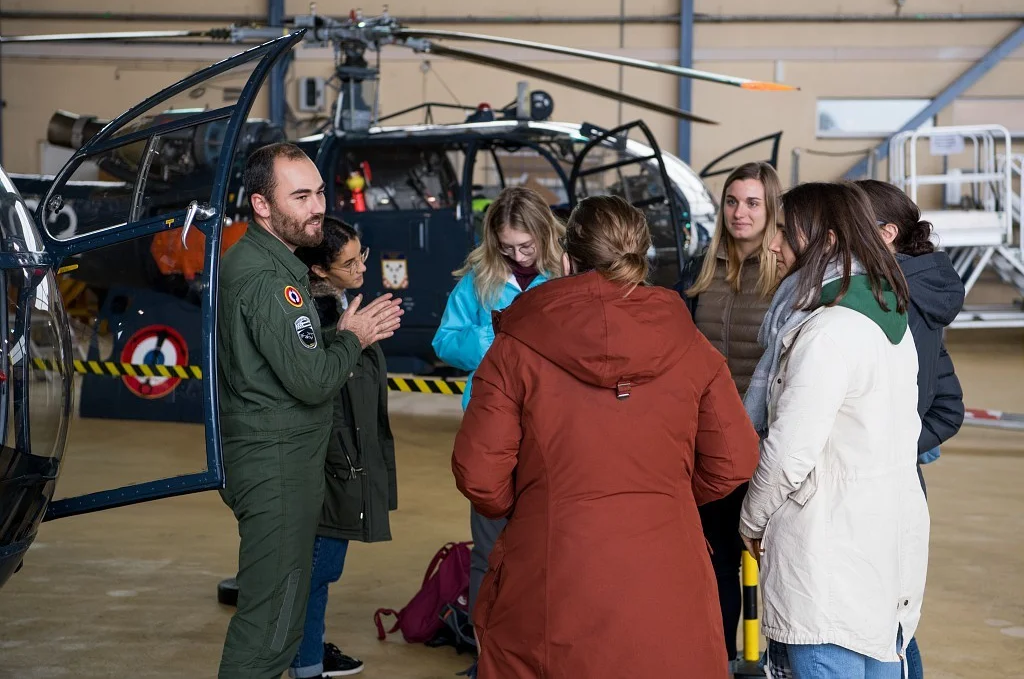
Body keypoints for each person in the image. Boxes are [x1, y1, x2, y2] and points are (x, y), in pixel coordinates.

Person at [451, 195, 761, 679]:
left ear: (568, 258)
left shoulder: (515, 347)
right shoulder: (692, 346)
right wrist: (666, 494)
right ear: (642, 257)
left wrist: (542, 501)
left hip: (555, 563)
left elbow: (480, 474)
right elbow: (736, 458)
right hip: (668, 563)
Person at [216, 143, 403, 679]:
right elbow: (314, 380)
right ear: (262, 205)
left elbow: (281, 355)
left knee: (283, 614)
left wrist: (332, 336)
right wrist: (352, 338)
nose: (317, 206)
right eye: (300, 196)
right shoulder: (270, 279)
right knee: (269, 625)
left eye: (319, 192)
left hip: (285, 458)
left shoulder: (269, 262)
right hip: (276, 466)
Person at [739, 181, 930, 679]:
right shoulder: (890, 315)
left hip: (826, 556)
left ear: (824, 242)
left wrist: (751, 519)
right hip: (879, 551)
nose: (773, 244)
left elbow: (789, 454)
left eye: (784, 231)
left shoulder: (826, 331)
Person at [431, 186, 564, 645]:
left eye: (526, 246)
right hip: (493, 429)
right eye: (507, 248)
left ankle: (539, 646)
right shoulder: (478, 280)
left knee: (550, 545)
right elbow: (444, 342)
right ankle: (486, 649)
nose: (518, 256)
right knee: (489, 545)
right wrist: (497, 344)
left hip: (553, 431)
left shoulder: (567, 274)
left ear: (546, 235)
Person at [855, 179, 966, 679]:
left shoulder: (885, 299)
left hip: (867, 485)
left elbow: (944, 406)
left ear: (886, 234)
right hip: (894, 482)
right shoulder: (921, 289)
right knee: (892, 619)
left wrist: (889, 448)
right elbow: (948, 407)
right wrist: (903, 447)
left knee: (877, 623)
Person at [675, 161, 782, 669]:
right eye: (733, 202)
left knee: (772, 566)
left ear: (771, 209)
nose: (740, 213)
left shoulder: (788, 274)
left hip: (766, 441)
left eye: (753, 202)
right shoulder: (703, 266)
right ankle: (715, 659)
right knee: (713, 563)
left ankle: (770, 663)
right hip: (708, 442)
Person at [279, 217, 397, 678]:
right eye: (349, 262)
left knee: (320, 571)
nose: (361, 266)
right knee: (316, 572)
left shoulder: (339, 304)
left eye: (361, 255)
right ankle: (305, 664)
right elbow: (317, 384)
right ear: (319, 271)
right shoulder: (317, 316)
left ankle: (307, 648)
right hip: (329, 465)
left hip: (345, 460)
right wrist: (350, 339)